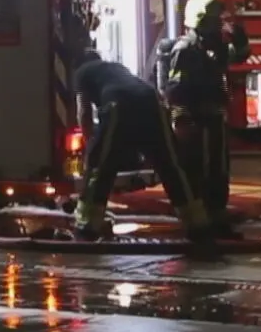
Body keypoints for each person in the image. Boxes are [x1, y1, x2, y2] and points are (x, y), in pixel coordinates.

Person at [72, 47, 216, 253]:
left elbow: (83, 111)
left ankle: (86, 228)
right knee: (171, 165)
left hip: (117, 104)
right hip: (150, 101)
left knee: (100, 168)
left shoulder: (81, 73)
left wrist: (91, 146)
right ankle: (198, 226)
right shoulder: (116, 67)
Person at [163, 0, 250, 235]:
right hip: (196, 121)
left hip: (213, 118)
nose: (218, 26)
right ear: (201, 21)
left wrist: (240, 38)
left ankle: (217, 215)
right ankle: (201, 222)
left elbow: (239, 55)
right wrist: (183, 121)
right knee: (198, 170)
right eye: (214, 21)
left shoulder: (213, 46)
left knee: (218, 169)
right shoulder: (187, 48)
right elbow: (175, 88)